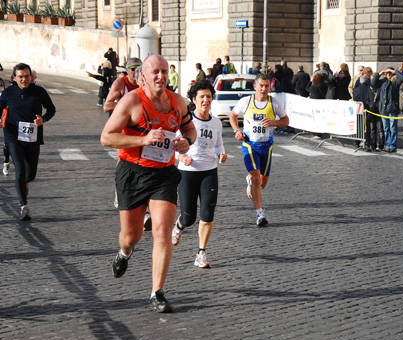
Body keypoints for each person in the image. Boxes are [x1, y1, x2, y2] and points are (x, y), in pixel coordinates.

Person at [100, 54, 197, 313]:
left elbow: (190, 130)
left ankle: (157, 292)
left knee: (162, 232)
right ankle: (124, 253)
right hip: (132, 173)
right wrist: (141, 141)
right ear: (142, 76)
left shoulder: (177, 102)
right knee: (131, 236)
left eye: (164, 71)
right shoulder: (131, 102)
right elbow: (106, 138)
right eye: (155, 72)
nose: (160, 76)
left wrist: (187, 141)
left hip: (164, 174)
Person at [172, 79, 227, 268]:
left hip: (209, 171)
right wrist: (181, 157)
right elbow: (173, 145)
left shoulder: (217, 123)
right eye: (202, 97)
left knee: (207, 214)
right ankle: (179, 226)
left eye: (209, 97)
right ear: (194, 100)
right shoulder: (186, 122)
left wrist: (221, 154)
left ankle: (201, 253)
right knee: (189, 217)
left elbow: (219, 144)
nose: (206, 100)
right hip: (188, 172)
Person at [228, 73, 289, 226]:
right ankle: (260, 214)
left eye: (266, 86)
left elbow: (286, 120)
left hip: (266, 147)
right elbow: (233, 115)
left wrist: (274, 122)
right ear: (255, 86)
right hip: (249, 145)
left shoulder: (274, 103)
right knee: (256, 178)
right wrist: (237, 131)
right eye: (261, 85)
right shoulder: (246, 101)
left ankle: (251, 181)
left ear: (270, 87)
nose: (263, 89)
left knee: (262, 183)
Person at [0, 63, 56, 220]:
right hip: (13, 136)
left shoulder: (39, 92)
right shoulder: (8, 92)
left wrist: (43, 119)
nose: (24, 79)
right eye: (21, 77)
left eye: (27, 76)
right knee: (19, 168)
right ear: (14, 78)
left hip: (32, 136)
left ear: (31, 77)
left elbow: (51, 109)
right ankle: (23, 205)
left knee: (30, 173)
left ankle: (25, 184)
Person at [371, 67, 403, 152]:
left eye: (390, 73)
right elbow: (373, 83)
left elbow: (402, 77)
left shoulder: (395, 82)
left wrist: (394, 71)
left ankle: (393, 146)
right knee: (386, 128)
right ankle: (388, 144)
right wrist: (379, 74)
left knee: (393, 127)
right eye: (387, 73)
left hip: (392, 108)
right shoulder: (382, 82)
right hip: (383, 108)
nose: (388, 74)